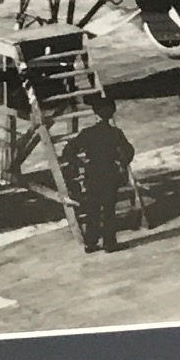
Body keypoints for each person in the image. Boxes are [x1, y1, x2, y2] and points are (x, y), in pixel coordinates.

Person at [61, 94, 136, 253]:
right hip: (110, 173)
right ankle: (109, 243)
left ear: (95, 113)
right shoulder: (115, 133)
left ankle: (91, 242)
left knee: (92, 209)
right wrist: (121, 163)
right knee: (108, 210)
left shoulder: (88, 133)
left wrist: (78, 163)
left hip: (93, 174)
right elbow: (128, 151)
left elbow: (68, 150)